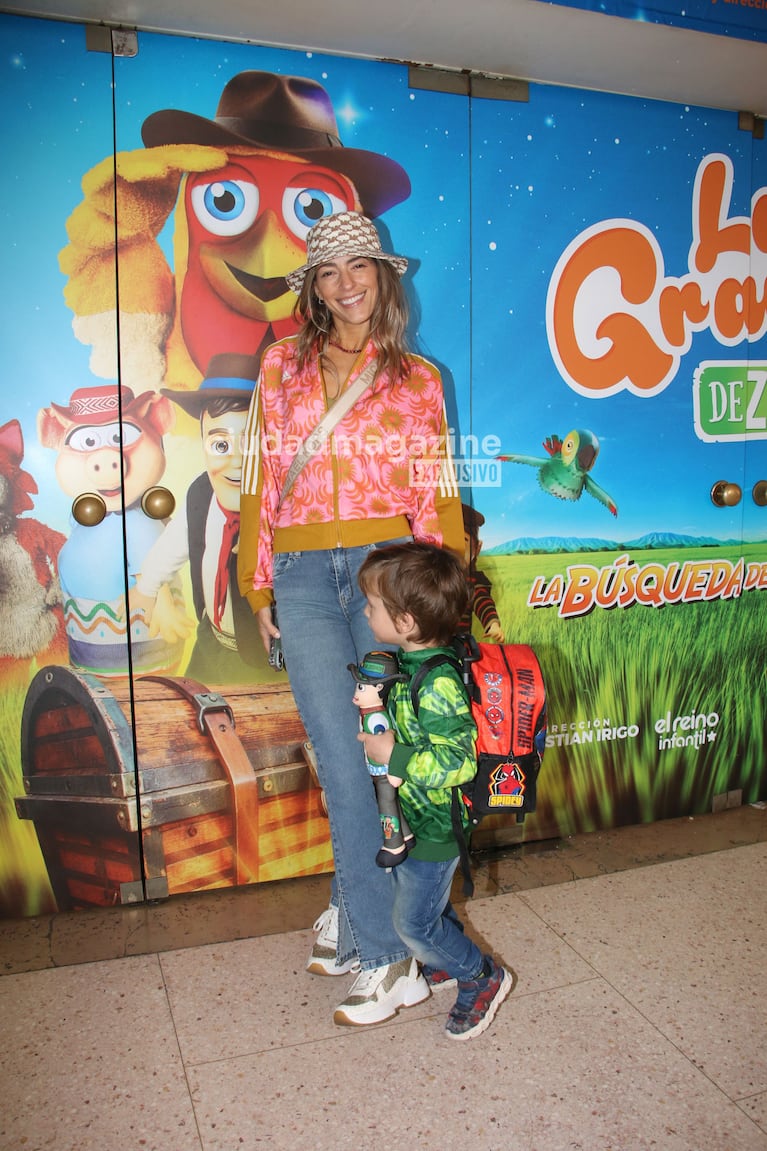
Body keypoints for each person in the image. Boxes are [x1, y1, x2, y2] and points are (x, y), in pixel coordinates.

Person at [238, 210, 464, 1027]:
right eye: (329, 272)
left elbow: (434, 493)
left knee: (379, 762)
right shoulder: (278, 367)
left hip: (385, 575)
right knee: (341, 759)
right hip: (299, 574)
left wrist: (436, 605)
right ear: (313, 288)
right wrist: (256, 584)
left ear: (383, 275)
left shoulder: (418, 378)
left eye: (359, 267)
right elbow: (259, 484)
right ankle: (380, 943)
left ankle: (378, 947)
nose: (346, 284)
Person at [356, 540, 515, 1040]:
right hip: (415, 815)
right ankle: (446, 959)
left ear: (405, 622)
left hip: (438, 823)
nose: (365, 611)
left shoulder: (437, 680)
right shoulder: (410, 663)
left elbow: (458, 761)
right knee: (427, 902)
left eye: (373, 605)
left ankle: (481, 977)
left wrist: (393, 756)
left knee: (414, 923)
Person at [348, 651, 414, 868]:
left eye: (361, 687)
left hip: (384, 772)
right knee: (392, 801)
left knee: (386, 803)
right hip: (379, 770)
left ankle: (393, 845)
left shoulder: (376, 718)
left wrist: (395, 770)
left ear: (378, 688)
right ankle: (405, 835)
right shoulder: (368, 713)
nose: (356, 692)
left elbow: (387, 743)